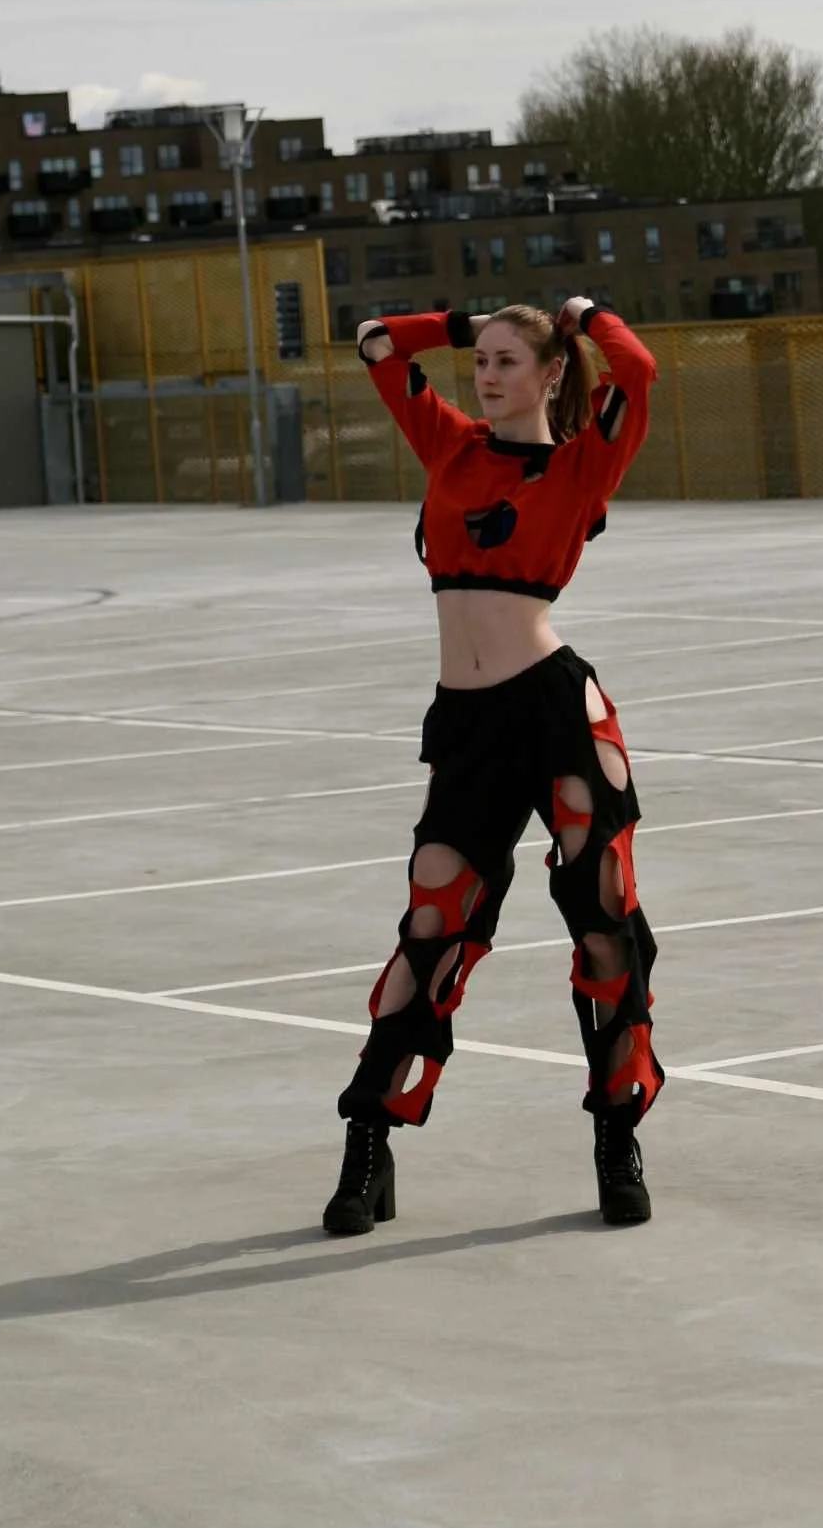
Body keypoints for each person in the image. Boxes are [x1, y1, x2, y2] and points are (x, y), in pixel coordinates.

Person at [322, 297, 664, 1234]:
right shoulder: (451, 447)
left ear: (551, 374)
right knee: (432, 930)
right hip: (469, 727)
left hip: (559, 717)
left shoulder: (584, 459)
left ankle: (615, 1132)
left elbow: (638, 375)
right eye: (483, 359)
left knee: (605, 926)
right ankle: (368, 1142)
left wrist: (589, 316)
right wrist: (465, 316)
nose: (488, 372)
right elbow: (379, 344)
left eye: (510, 360)